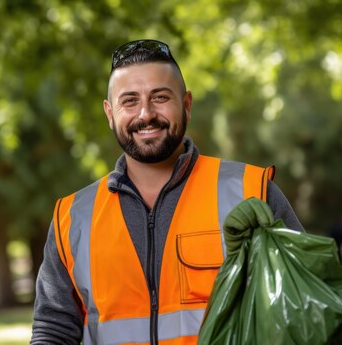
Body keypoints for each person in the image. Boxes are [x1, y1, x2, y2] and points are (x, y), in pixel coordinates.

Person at [31, 39, 304, 345]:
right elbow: (53, 329)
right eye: (130, 100)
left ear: (186, 105)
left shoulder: (252, 192)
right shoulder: (73, 217)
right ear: (109, 113)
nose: (146, 114)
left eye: (160, 97)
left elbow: (303, 306)